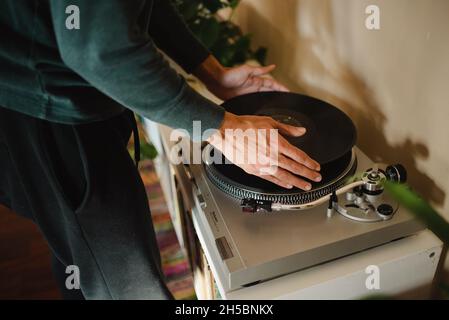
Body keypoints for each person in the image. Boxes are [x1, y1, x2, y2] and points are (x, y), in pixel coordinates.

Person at [0, 0, 321, 299]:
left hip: (57, 97)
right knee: (129, 283)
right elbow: (102, 52)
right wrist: (225, 129)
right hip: (45, 117)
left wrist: (213, 73)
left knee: (76, 248)